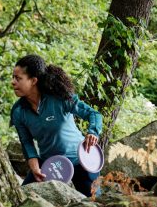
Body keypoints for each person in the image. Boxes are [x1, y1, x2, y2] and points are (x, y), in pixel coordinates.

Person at [10, 54, 102, 197]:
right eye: (13, 77)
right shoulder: (18, 111)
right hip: (50, 164)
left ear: (33, 80)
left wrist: (93, 132)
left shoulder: (60, 98)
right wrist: (34, 166)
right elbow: (26, 142)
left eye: (18, 78)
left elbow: (94, 114)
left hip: (80, 160)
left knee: (96, 201)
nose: (13, 82)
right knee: (22, 198)